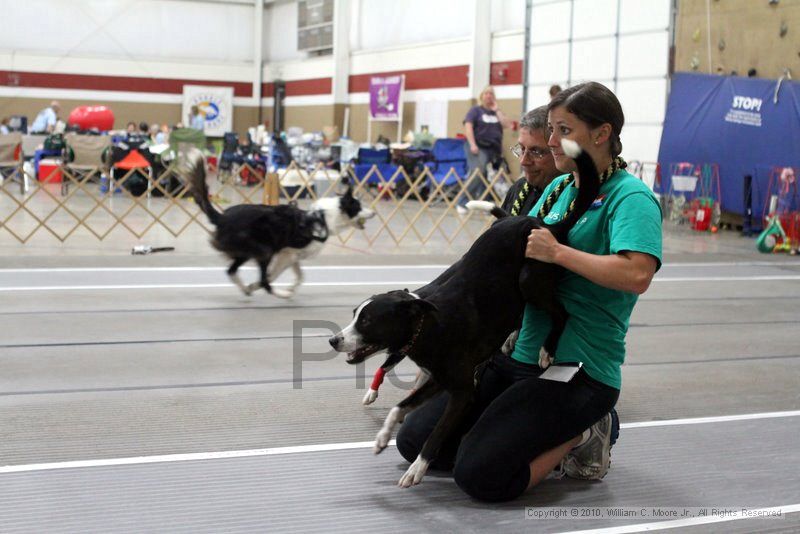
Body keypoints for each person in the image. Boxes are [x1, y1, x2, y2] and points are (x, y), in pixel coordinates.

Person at [396, 81, 662, 502]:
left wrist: (559, 254)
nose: (552, 141)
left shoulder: (631, 198)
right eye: (551, 130)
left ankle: (582, 434)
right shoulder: (559, 189)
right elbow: (507, 255)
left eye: (563, 130)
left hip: (578, 367)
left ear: (602, 133)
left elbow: (637, 275)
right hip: (519, 354)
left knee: (480, 476)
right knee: (415, 441)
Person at [458, 86, 514, 214]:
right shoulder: (475, 111)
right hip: (477, 146)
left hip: (493, 149)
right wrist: (472, 144)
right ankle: (462, 201)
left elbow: (507, 125)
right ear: (482, 96)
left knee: (490, 176)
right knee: (479, 171)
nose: (489, 96)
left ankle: (483, 204)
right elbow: (468, 126)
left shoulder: (496, 112)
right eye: (486, 93)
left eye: (491, 94)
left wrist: (497, 110)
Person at [501, 105, 560, 216]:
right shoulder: (518, 189)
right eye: (522, 149)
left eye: (536, 151)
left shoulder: (572, 196)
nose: (523, 161)